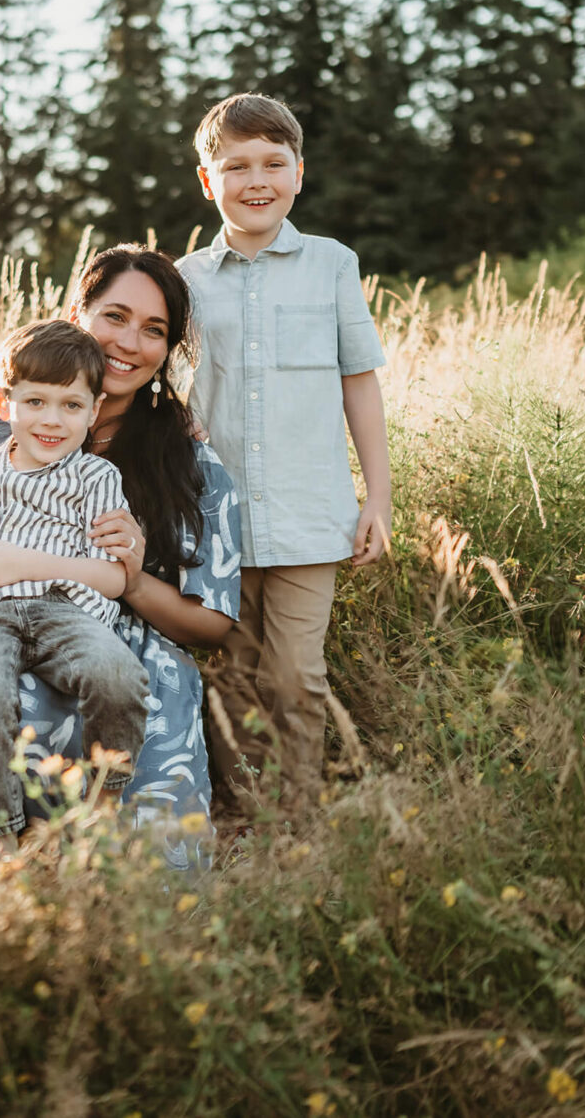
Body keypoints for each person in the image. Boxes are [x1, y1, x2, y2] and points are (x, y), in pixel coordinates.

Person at [0, 246, 242, 868]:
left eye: (154, 330)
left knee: (153, 857)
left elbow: (213, 624)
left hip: (132, 647)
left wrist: (125, 579)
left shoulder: (189, 457)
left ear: (168, 352)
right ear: (77, 315)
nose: (129, 342)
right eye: (114, 316)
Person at [178, 92, 393, 803]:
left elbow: (359, 385)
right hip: (218, 523)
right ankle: (246, 812)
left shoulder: (331, 264)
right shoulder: (185, 281)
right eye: (236, 166)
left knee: (295, 675)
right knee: (234, 674)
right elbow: (170, 391)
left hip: (309, 516)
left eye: (274, 162)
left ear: (300, 172)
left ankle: (299, 818)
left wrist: (378, 500)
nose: (257, 180)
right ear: (209, 181)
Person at [0, 319, 151, 841]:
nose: (52, 421)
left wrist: (30, 564)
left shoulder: (98, 479)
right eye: (35, 403)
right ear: (4, 403)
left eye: (71, 406)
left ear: (94, 410)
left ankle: (100, 810)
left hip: (64, 612)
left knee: (119, 677)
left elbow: (115, 581)